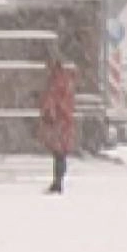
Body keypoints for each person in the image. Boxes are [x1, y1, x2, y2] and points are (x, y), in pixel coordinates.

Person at [38, 53, 75, 194]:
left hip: (59, 121)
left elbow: (53, 100)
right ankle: (58, 180)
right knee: (60, 153)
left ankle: (58, 182)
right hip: (64, 120)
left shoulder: (56, 81)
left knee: (58, 153)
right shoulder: (65, 80)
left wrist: (49, 113)